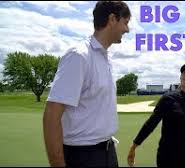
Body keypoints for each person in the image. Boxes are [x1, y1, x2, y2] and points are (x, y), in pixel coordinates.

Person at [43, 1, 131, 167]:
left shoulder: (106, 58)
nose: (127, 29)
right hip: (83, 157)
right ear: (112, 19)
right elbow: (52, 114)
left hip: (107, 151)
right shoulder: (79, 56)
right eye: (125, 22)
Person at [127, 63, 185, 167]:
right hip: (166, 158)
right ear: (180, 77)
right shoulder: (168, 98)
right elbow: (151, 124)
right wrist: (134, 146)